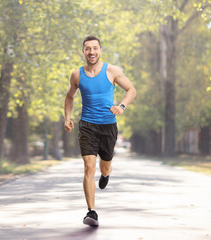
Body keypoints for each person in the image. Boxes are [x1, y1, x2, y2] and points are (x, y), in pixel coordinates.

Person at [64, 36, 136, 226]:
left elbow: (131, 90)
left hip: (108, 126)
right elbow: (69, 97)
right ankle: (91, 212)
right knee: (88, 166)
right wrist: (67, 118)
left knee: (104, 166)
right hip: (87, 125)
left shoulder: (112, 70)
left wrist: (121, 106)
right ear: (83, 52)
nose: (92, 52)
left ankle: (106, 175)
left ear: (100, 50)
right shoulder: (76, 75)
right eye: (88, 49)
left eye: (95, 48)